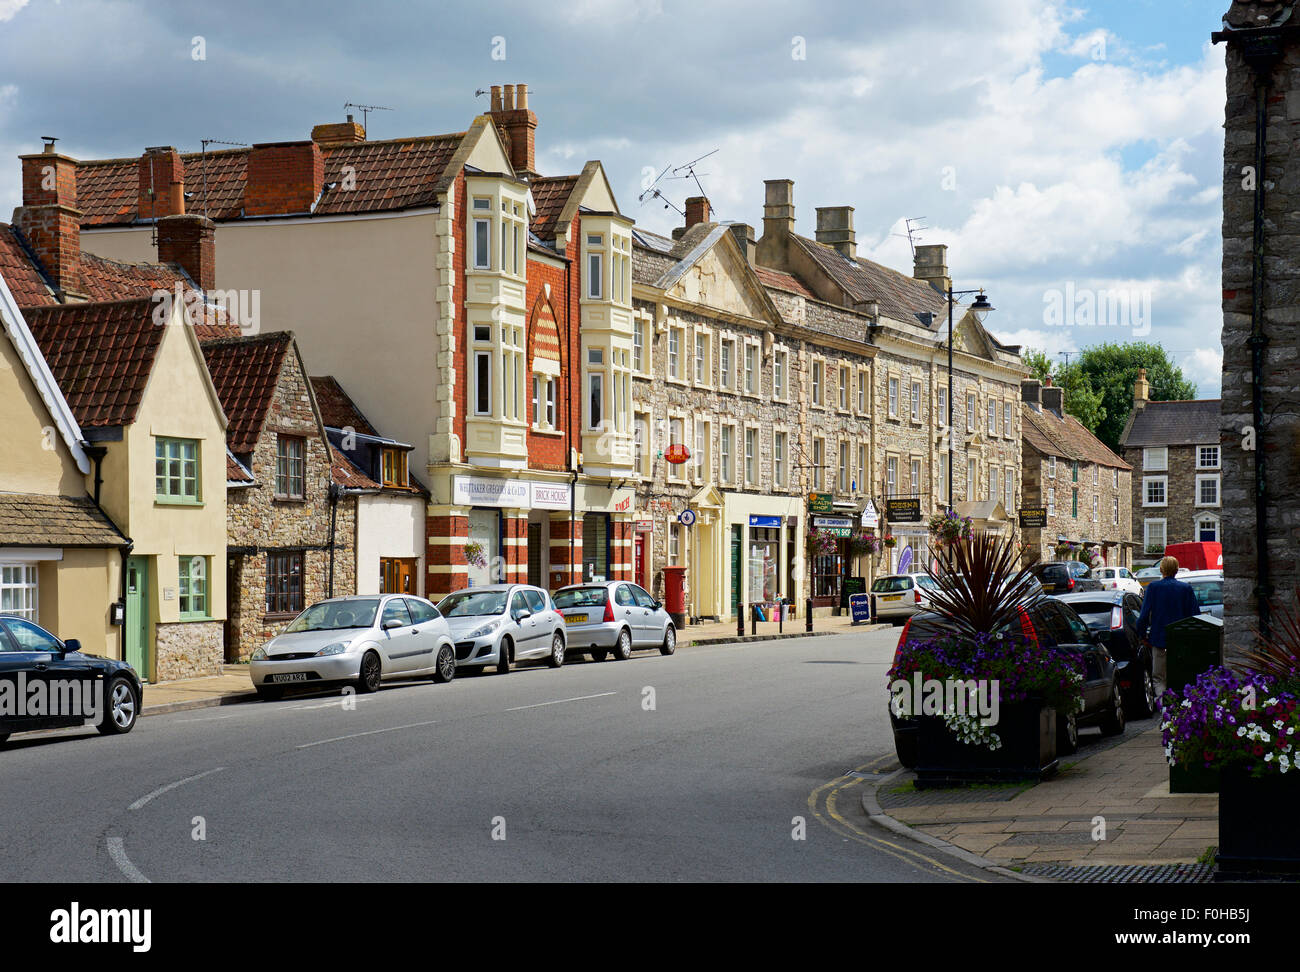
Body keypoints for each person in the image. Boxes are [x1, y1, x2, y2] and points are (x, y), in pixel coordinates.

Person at [1136, 556, 1201, 689]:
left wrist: (1142, 635)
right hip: (1181, 640)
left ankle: (1164, 707)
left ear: (1161, 569)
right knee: (1181, 676)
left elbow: (1143, 616)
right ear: (1177, 570)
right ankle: (1181, 706)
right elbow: (1195, 616)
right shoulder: (1185, 588)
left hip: (1159, 639)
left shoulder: (1153, 587)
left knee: (1159, 678)